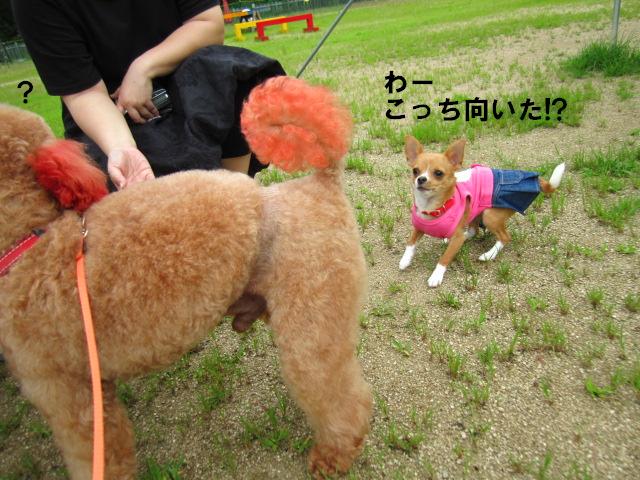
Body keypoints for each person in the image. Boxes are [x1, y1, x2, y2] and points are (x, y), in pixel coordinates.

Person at [11, 0, 284, 190]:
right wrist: (122, 148)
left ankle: (237, 193)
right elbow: (83, 93)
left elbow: (208, 23)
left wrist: (143, 68)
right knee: (120, 189)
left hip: (188, 83)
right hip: (111, 116)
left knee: (232, 71)